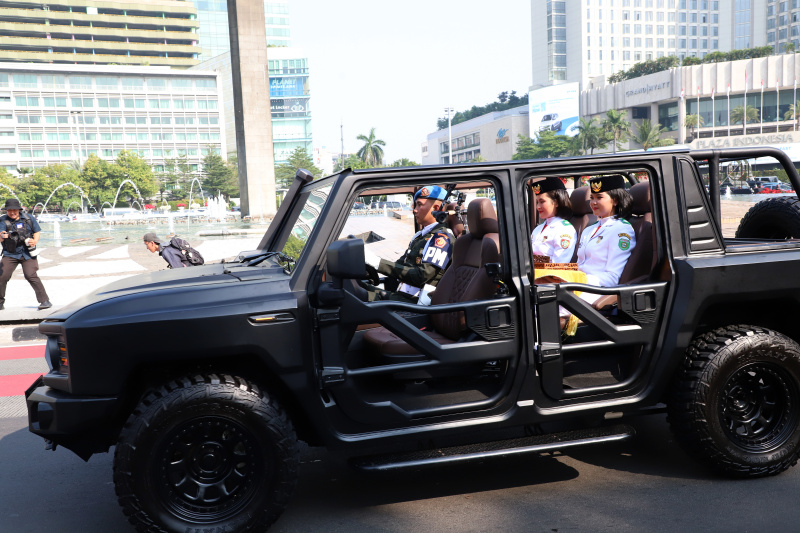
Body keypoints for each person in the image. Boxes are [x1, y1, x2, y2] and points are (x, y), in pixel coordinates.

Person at [364, 185, 454, 302]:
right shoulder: (420, 236)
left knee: (353, 297)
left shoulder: (442, 238)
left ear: (436, 208)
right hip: (402, 296)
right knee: (354, 289)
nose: (414, 210)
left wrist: (377, 263)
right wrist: (371, 266)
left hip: (416, 303)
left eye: (419, 205)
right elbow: (400, 265)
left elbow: (422, 276)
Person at [0, 198, 51, 310]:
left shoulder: (28, 218)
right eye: (9, 210)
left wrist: (35, 240)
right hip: (10, 253)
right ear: (6, 211)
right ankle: (0, 303)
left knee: (30, 275)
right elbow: (1, 235)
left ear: (19, 210)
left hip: (28, 252)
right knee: (1, 276)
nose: (12, 212)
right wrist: (3, 236)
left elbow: (37, 231)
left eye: (14, 210)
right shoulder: (3, 220)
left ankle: (45, 301)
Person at [530, 177, 576, 263]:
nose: (538, 207)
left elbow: (558, 265)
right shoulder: (538, 229)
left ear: (556, 202)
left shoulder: (564, 229)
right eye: (537, 202)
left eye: (542, 201)